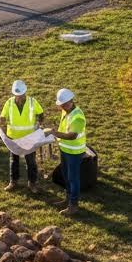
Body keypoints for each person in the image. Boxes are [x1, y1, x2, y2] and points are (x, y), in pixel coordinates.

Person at [0, 80, 43, 191]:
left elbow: (40, 113)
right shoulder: (9, 103)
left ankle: (32, 183)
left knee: (31, 161)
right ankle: (13, 182)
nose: (19, 97)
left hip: (29, 137)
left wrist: (39, 123)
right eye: (17, 95)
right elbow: (3, 116)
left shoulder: (32, 102)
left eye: (21, 95)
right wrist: (0, 121)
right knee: (14, 160)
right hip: (13, 137)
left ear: (25, 92)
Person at [49, 87, 86, 217]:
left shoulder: (77, 117)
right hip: (65, 149)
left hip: (74, 152)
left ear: (70, 101)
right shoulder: (67, 111)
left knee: (73, 178)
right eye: (61, 105)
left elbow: (72, 136)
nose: (61, 107)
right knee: (66, 175)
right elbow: (64, 129)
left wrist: (55, 133)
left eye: (63, 105)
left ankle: (73, 205)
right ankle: (68, 198)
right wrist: (56, 132)